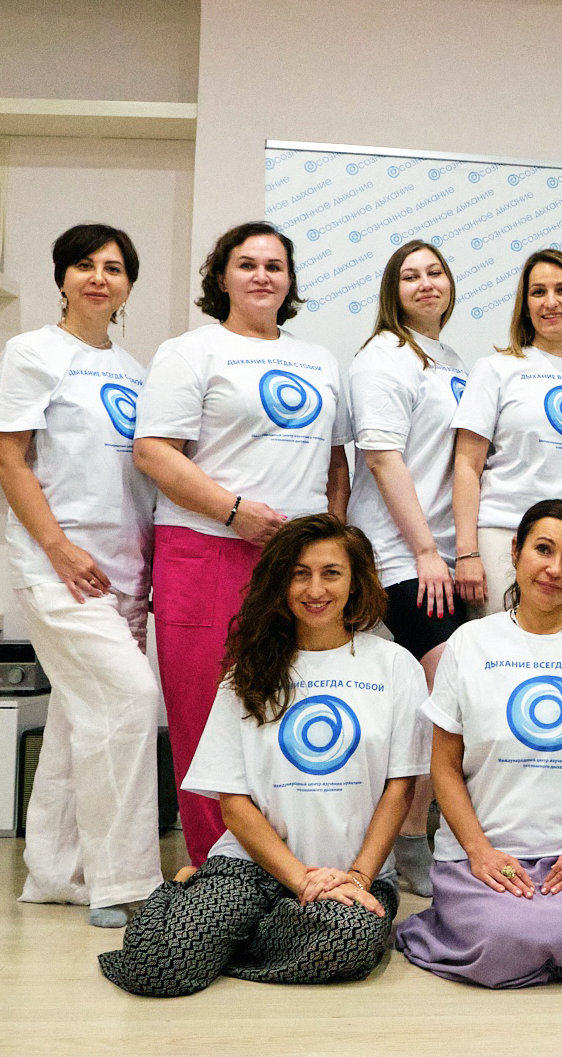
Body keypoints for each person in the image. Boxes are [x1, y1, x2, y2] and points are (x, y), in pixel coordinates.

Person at [99, 515, 427, 996]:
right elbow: (233, 804)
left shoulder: (395, 666)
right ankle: (212, 921)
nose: (315, 589)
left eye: (331, 573)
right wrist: (300, 881)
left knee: (347, 938)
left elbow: (400, 788)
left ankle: (217, 938)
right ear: (280, 584)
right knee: (156, 965)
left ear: (356, 582)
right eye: (299, 574)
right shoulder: (249, 672)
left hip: (351, 872)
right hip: (250, 867)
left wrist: (358, 877)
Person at [133, 220, 351, 866]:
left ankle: (290, 865)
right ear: (221, 277)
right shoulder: (190, 352)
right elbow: (153, 451)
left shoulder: (320, 360)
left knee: (293, 710)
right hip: (206, 550)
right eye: (247, 264)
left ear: (290, 281)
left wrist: (331, 538)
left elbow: (336, 463)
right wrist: (233, 512)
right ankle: (217, 867)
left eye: (274, 266)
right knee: (206, 713)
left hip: (296, 563)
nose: (261, 276)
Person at [396, 500, 562, 987]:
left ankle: (550, 932)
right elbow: (444, 766)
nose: (555, 569)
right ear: (515, 551)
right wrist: (479, 851)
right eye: (543, 549)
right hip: (483, 852)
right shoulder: (470, 642)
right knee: (503, 942)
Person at [0, 224, 161, 927]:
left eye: (114, 268)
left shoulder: (135, 370)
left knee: (77, 719)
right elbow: (9, 457)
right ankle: (122, 882)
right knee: (129, 700)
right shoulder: (32, 351)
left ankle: (55, 871)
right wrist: (58, 547)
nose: (99, 277)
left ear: (128, 285)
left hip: (124, 571)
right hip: (58, 567)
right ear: (62, 277)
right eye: (85, 265)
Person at [345, 239, 466, 896]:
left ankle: (420, 831)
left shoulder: (451, 360)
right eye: (411, 276)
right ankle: (411, 836)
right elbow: (382, 457)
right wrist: (423, 550)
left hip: (444, 553)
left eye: (435, 272)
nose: (425, 284)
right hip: (400, 554)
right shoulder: (384, 356)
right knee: (441, 685)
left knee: (440, 692)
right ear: (393, 291)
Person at [453, 248, 562, 617]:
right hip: (504, 534)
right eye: (538, 292)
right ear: (525, 306)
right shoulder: (495, 369)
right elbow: (466, 465)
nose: (550, 302)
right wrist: (466, 552)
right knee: (501, 646)